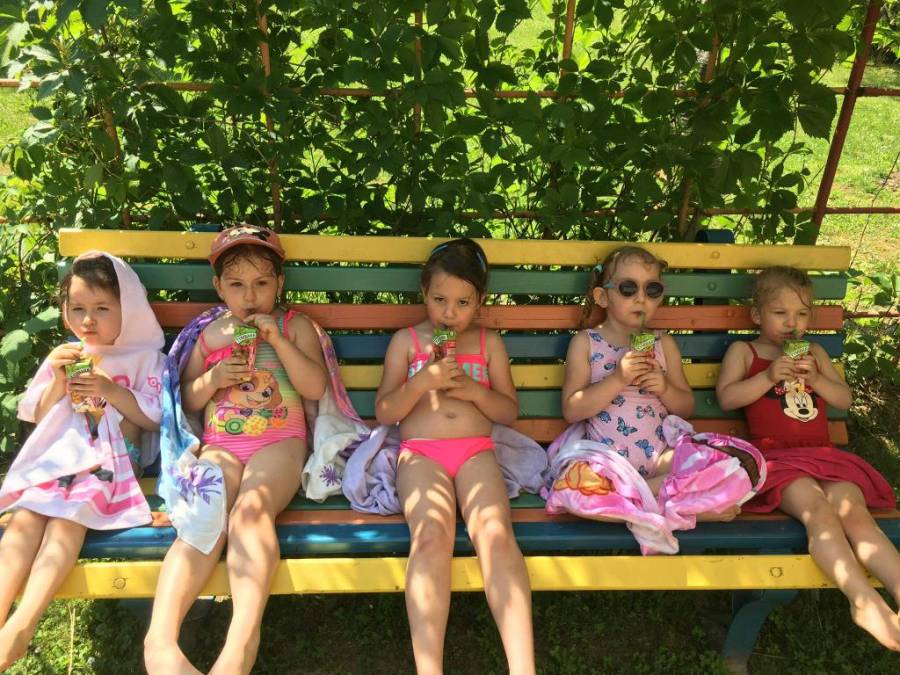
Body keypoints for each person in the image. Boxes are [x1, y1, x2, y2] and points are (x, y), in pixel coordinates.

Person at [144, 225, 328, 675]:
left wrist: (278, 341)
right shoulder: (210, 334)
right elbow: (187, 399)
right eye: (237, 285)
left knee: (250, 511)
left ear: (279, 284)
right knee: (204, 510)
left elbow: (316, 387)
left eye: (262, 283)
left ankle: (241, 642)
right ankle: (160, 641)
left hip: (279, 443)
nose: (250, 296)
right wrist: (213, 378)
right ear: (218, 287)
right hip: (222, 445)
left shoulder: (295, 326)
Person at [717, 265, 900, 650]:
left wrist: (817, 378)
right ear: (756, 315)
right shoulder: (744, 351)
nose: (792, 323)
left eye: (802, 314)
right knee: (819, 512)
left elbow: (844, 400)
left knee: (857, 515)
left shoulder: (814, 352)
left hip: (824, 455)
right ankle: (862, 601)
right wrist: (768, 377)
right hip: (777, 460)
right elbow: (727, 398)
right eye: (780, 313)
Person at [374, 238, 535, 675]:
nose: (449, 312)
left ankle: (523, 667)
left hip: (475, 451)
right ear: (424, 294)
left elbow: (508, 412)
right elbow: (385, 411)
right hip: (421, 454)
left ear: (479, 302)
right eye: (440, 300)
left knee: (496, 535)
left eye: (463, 303)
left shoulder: (488, 343)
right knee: (430, 536)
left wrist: (475, 391)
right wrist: (421, 382)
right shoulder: (407, 342)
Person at [0, 252, 165, 670]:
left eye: (102, 308)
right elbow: (38, 419)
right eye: (77, 309)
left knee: (69, 518)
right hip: (59, 461)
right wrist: (56, 382)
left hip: (114, 463)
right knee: (25, 519)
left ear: (128, 309)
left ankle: (24, 622)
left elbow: (154, 419)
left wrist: (111, 390)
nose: (88, 320)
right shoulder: (68, 355)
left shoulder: (147, 357)